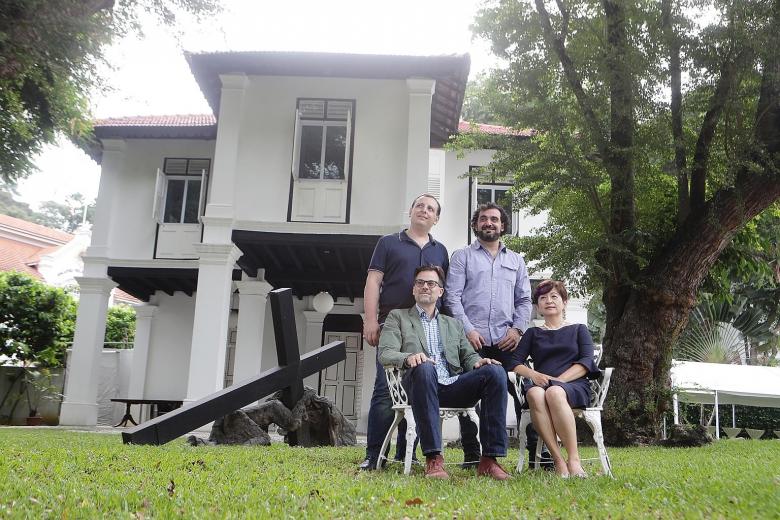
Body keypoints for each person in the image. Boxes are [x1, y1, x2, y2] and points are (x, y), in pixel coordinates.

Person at [378, 265, 510, 480]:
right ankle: (434, 459)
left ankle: (489, 460)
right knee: (425, 366)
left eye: (431, 283)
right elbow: (385, 352)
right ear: (413, 289)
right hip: (419, 384)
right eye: (420, 282)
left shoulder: (453, 324)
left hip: (452, 385)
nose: (425, 287)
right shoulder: (398, 317)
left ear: (440, 291)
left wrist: (479, 361)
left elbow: (468, 356)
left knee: (495, 372)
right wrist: (408, 358)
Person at [444, 202, 538, 468]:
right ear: (476, 225)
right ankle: (473, 453)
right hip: (472, 342)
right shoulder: (462, 256)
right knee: (468, 397)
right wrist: (467, 330)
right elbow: (452, 297)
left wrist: (518, 329)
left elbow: (524, 300)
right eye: (483, 219)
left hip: (507, 342)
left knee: (526, 391)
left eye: (494, 219)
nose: (489, 223)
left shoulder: (516, 260)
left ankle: (534, 454)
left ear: (503, 226)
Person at [360, 194, 449, 470]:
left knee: (421, 389)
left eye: (430, 208)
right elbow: (373, 281)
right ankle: (374, 455)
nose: (424, 210)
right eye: (420, 205)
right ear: (410, 211)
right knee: (386, 391)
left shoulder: (441, 250)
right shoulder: (388, 243)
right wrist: (370, 320)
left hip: (427, 327)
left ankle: (406, 454)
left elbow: (442, 294)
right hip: (392, 324)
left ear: (436, 218)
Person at [509, 280, 600, 478]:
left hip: (574, 385)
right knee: (533, 392)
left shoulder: (578, 329)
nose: (548, 301)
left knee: (555, 392)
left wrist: (558, 381)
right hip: (542, 385)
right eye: (543, 298)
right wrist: (534, 375)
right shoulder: (533, 333)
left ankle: (574, 460)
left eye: (554, 297)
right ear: (537, 306)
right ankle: (558, 460)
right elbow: (514, 362)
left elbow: (586, 362)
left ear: (564, 302)